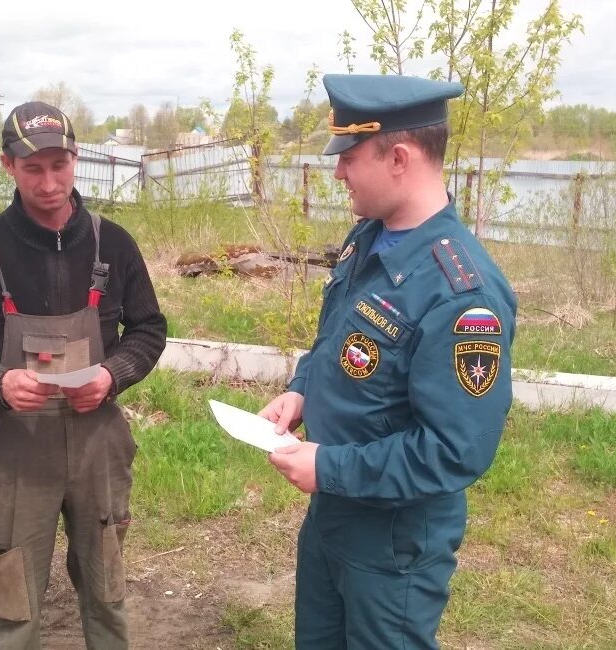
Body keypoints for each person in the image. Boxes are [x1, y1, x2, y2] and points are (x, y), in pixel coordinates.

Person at [259, 74, 517, 649]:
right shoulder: (369, 239)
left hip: (394, 545)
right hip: (333, 519)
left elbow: (457, 451)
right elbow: (339, 345)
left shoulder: (462, 294)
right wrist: (302, 389)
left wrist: (328, 468)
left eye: (348, 158)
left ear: (398, 157)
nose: (337, 173)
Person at [0, 101, 167, 650]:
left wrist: (113, 374)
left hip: (98, 445)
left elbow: (150, 330)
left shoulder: (115, 244)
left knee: (106, 588)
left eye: (59, 165)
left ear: (76, 159)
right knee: (15, 601)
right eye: (33, 168)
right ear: (7, 165)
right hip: (17, 450)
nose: (49, 182)